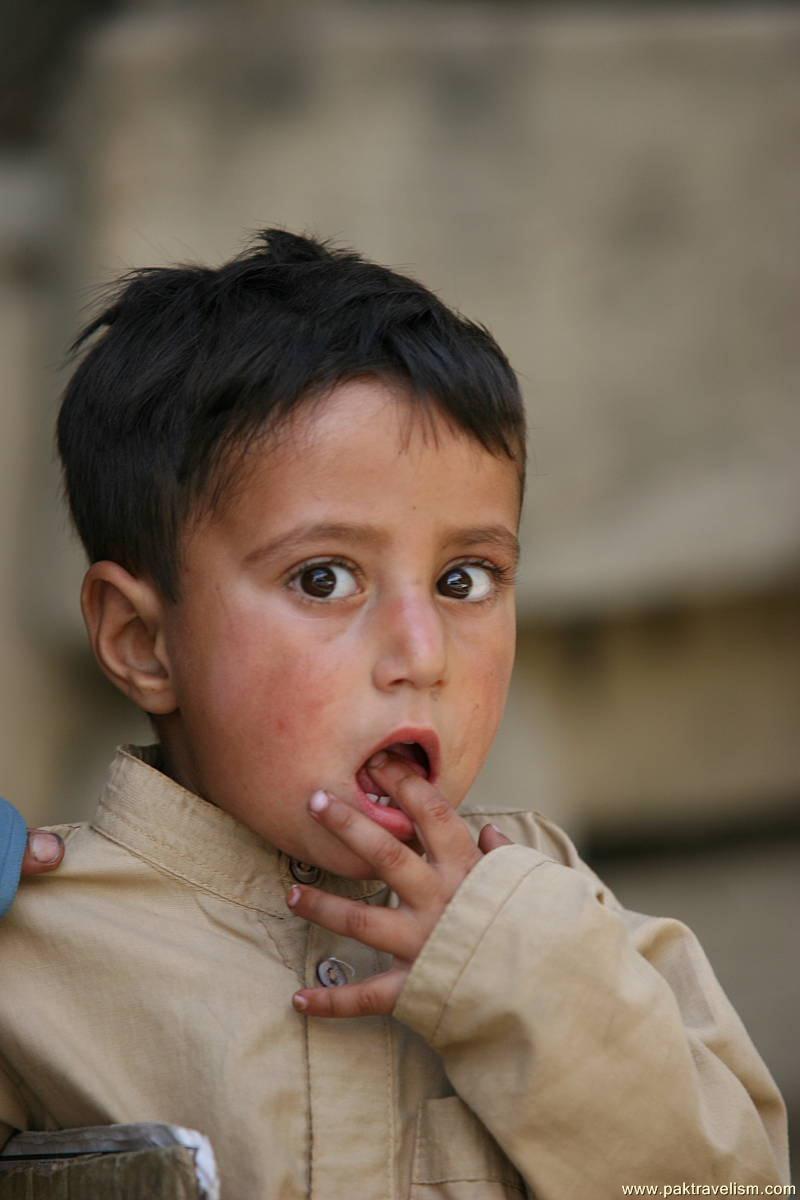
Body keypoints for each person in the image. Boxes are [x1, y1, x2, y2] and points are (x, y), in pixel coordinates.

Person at [0, 231, 789, 1199]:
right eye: (324, 578)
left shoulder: (567, 921)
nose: (422, 653)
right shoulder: (33, 951)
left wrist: (527, 985)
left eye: (465, 578)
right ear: (140, 640)